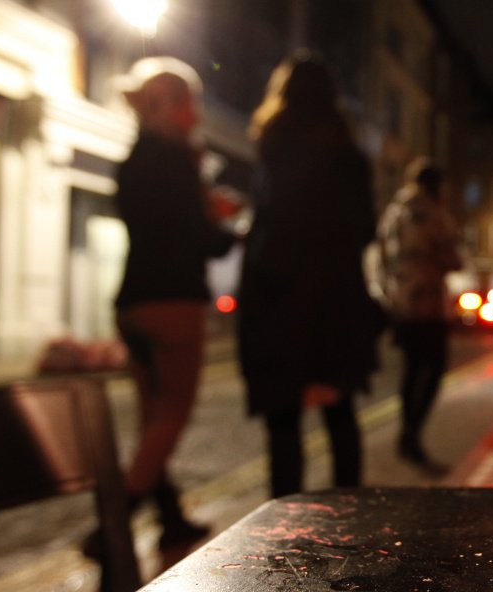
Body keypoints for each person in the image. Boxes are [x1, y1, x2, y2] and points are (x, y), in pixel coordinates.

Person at [238, 50, 381, 497]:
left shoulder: (274, 146)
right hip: (336, 298)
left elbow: (271, 226)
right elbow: (365, 228)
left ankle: (284, 528)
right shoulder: (349, 156)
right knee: (339, 413)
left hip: (279, 296)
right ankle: (349, 513)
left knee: (283, 421)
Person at [112, 57, 237, 549]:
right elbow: (203, 241)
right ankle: (113, 522)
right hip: (173, 303)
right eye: (192, 102)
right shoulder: (178, 161)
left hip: (131, 302)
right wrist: (223, 220)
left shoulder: (133, 160)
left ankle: (169, 517)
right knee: (172, 416)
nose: (198, 113)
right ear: (175, 106)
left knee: (151, 419)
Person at [376, 157, 462, 470]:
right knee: (434, 371)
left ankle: (407, 435)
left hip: (401, 302)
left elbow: (380, 256)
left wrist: (389, 292)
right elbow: (451, 258)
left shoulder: (394, 211)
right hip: (426, 303)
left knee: (411, 372)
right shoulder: (431, 213)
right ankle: (411, 436)